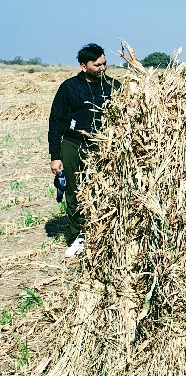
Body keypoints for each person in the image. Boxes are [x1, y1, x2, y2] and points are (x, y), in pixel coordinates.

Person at [48, 43, 120, 258]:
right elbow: (56, 121)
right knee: (75, 191)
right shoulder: (68, 88)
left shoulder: (114, 87)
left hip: (106, 146)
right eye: (97, 65)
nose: (103, 68)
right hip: (74, 144)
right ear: (83, 66)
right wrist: (55, 156)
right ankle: (78, 237)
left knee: (107, 189)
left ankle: (106, 235)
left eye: (104, 63)